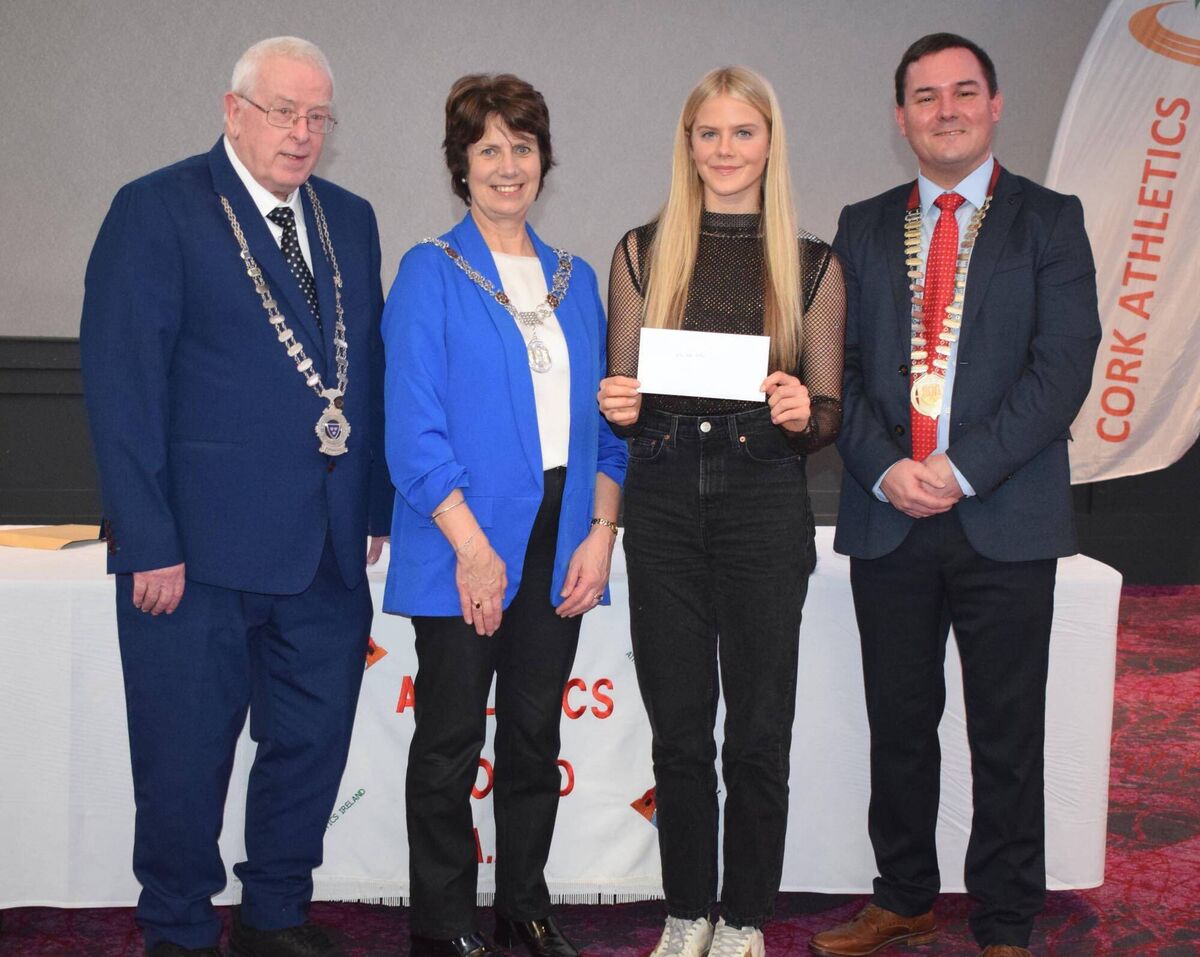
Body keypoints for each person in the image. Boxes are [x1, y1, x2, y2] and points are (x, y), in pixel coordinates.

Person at [79, 36, 391, 957]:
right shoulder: (156, 210)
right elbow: (122, 386)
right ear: (232, 110)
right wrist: (145, 538)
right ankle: (177, 925)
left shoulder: (352, 217)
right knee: (184, 755)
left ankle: (274, 913)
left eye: (317, 117)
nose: (302, 134)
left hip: (328, 547)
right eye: (283, 112)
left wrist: (371, 507)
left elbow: (362, 373)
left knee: (309, 744)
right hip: (195, 555)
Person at [810, 34, 1101, 957]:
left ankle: (1006, 915)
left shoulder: (1049, 220)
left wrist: (960, 468)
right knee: (899, 723)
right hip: (888, 514)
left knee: (1007, 732)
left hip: (1004, 516)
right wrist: (889, 467)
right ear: (900, 118)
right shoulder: (860, 224)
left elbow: (1060, 372)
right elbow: (835, 371)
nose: (946, 110)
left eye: (963, 92)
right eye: (925, 97)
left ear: (996, 103)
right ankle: (902, 893)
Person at [598, 67, 845, 957]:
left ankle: (743, 916)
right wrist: (617, 402)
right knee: (678, 731)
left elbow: (826, 415)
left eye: (744, 132)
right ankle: (685, 908)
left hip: (761, 501)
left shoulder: (812, 263)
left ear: (770, 143)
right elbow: (620, 394)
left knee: (757, 730)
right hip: (661, 500)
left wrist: (799, 412)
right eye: (710, 133)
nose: (727, 149)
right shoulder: (639, 251)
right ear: (688, 144)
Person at [382, 74, 627, 957]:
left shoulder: (578, 279)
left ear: (544, 160)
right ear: (461, 165)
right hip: (462, 534)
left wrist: (601, 533)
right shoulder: (428, 271)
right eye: (489, 148)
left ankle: (523, 903)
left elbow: (608, 429)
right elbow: (411, 430)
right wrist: (475, 550)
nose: (508, 165)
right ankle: (443, 923)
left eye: (523, 147)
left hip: (564, 532)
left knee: (533, 734)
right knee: (449, 742)